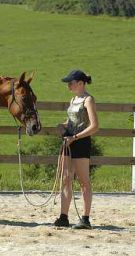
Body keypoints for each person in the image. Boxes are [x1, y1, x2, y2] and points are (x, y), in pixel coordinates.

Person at [54, 69, 99, 229]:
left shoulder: (88, 100)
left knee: (83, 181)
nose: (68, 86)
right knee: (66, 178)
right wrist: (63, 126)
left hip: (80, 142)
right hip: (68, 141)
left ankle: (85, 218)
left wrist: (76, 137)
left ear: (81, 83)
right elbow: (71, 121)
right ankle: (63, 216)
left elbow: (94, 126)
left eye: (71, 83)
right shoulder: (73, 99)